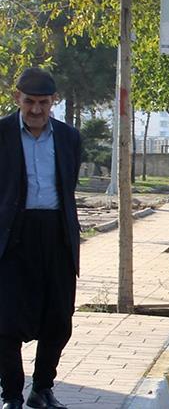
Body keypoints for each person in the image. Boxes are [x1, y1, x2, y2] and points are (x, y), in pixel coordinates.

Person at [0, 68, 81, 409]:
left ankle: (42, 389)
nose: (36, 110)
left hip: (57, 235)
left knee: (59, 318)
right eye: (29, 101)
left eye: (43, 103)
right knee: (5, 320)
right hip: (12, 237)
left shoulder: (69, 137)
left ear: (54, 102)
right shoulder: (1, 133)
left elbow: (68, 184)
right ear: (17, 97)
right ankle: (11, 395)